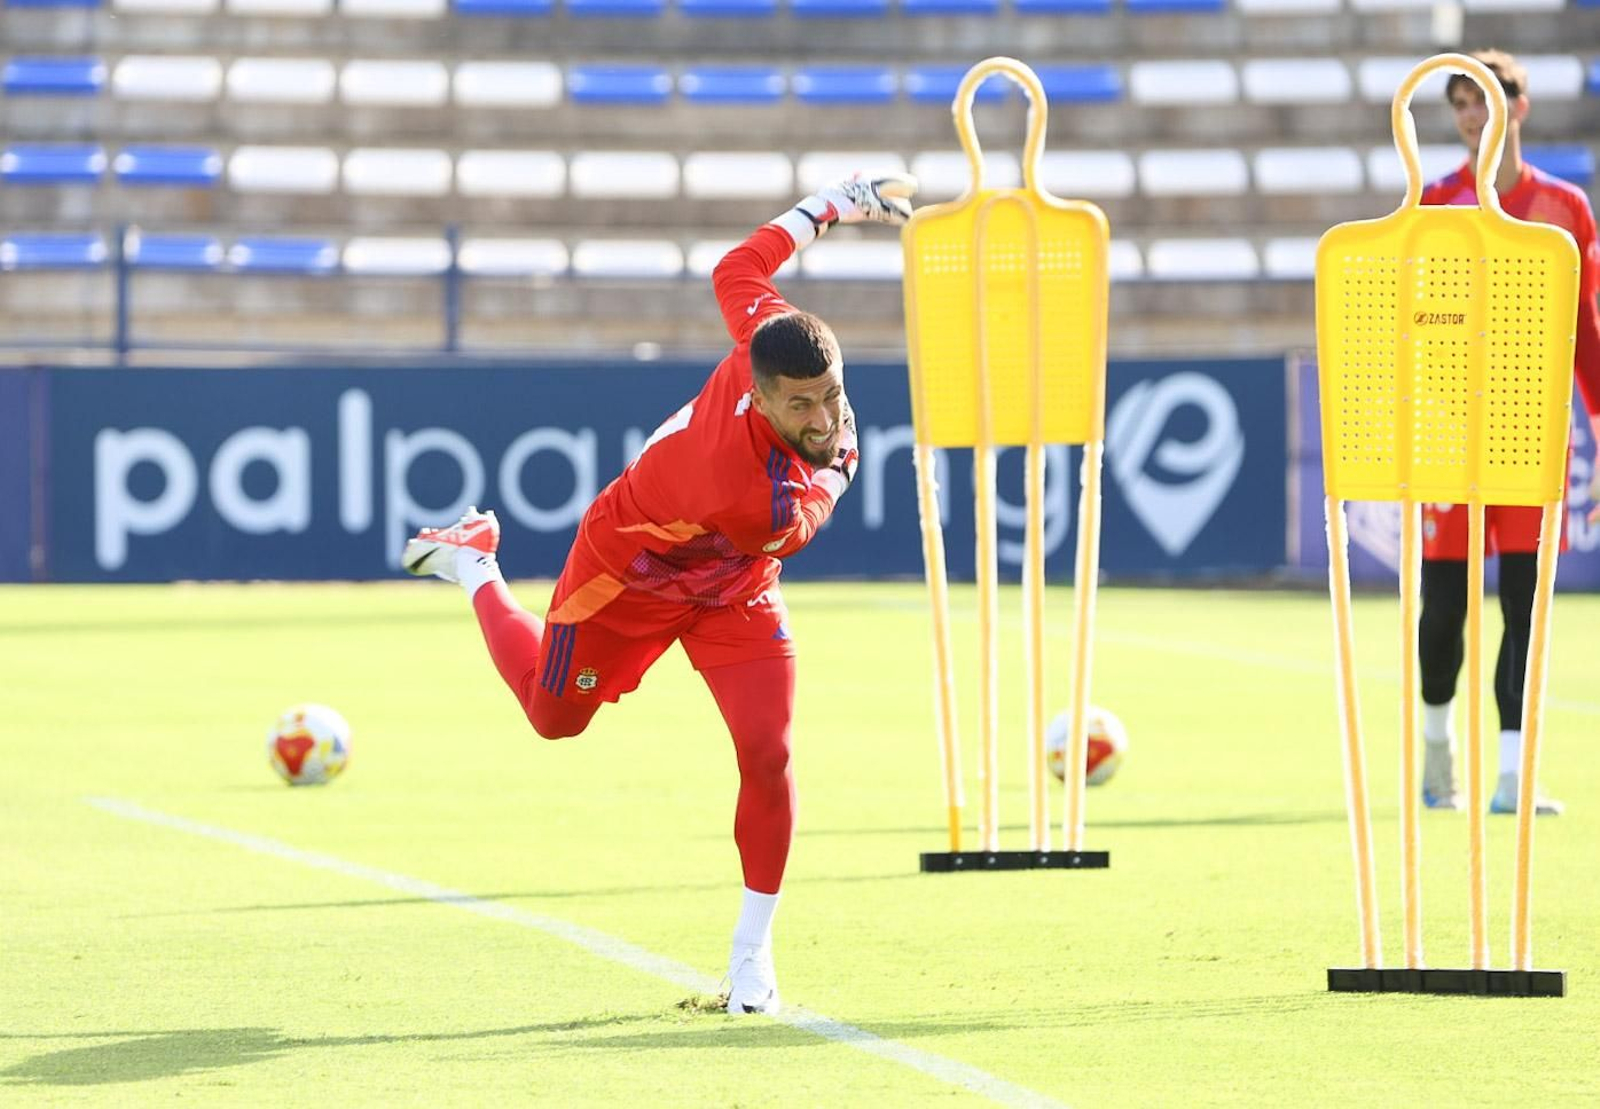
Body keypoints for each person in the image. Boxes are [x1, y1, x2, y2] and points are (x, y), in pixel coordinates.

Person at [399, 171, 916, 1015]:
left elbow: (737, 267)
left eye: (832, 396)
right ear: (757, 393)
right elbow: (828, 482)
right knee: (551, 716)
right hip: (632, 571)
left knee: (769, 751)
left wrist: (835, 203)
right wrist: (847, 452)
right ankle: (477, 561)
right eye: (803, 406)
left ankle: (754, 953)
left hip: (734, 588)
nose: (823, 416)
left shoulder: (769, 334)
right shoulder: (748, 493)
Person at [1417, 49, 1600, 815]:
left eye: (1486, 100)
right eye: (1461, 101)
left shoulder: (1566, 207)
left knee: (1524, 606)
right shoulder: (1433, 202)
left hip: (1531, 432)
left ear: (1518, 108)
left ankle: (1512, 776)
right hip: (1450, 434)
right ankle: (1437, 755)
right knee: (1444, 606)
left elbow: (1587, 329)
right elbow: (1414, 323)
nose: (1472, 114)